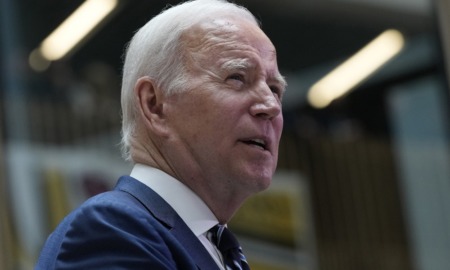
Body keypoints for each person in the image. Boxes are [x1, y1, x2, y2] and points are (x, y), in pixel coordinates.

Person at [36, 0, 286, 269]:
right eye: (237, 77)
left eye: (274, 89)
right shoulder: (114, 231)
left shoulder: (214, 249)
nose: (270, 106)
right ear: (154, 105)